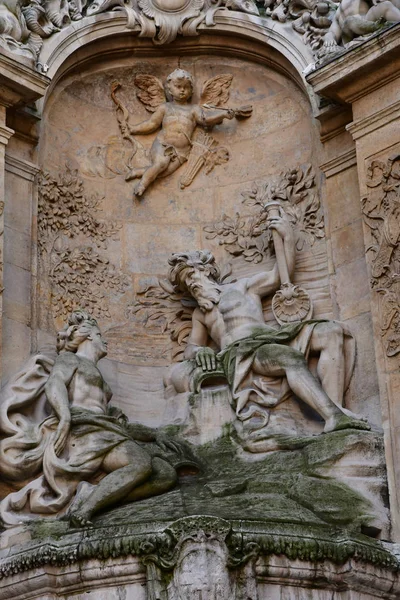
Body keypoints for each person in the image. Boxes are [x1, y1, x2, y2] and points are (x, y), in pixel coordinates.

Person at [167, 212, 369, 434]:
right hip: (243, 353)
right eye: (186, 283)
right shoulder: (200, 314)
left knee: (330, 330)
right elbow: (191, 347)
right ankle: (332, 416)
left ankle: (336, 407)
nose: (190, 285)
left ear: (204, 271)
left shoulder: (242, 287)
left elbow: (277, 276)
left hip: (270, 337)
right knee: (288, 358)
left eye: (191, 276)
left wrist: (287, 238)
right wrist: (199, 352)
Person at [0, 311, 183, 527]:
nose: (104, 340)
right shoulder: (71, 359)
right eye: (99, 335)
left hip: (104, 429)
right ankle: (87, 508)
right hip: (84, 428)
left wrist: (154, 434)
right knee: (141, 463)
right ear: (88, 336)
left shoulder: (103, 383)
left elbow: (115, 423)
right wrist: (65, 417)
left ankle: (92, 494)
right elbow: (55, 383)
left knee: (165, 473)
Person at [124, 69, 235, 196]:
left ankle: (138, 172)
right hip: (163, 143)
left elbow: (205, 119)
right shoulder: (165, 107)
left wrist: (224, 114)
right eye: (178, 87)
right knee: (161, 163)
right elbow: (152, 124)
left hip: (182, 151)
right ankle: (142, 186)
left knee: (163, 172)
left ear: (191, 90)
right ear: (170, 90)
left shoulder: (194, 109)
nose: (182, 90)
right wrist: (133, 129)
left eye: (186, 87)